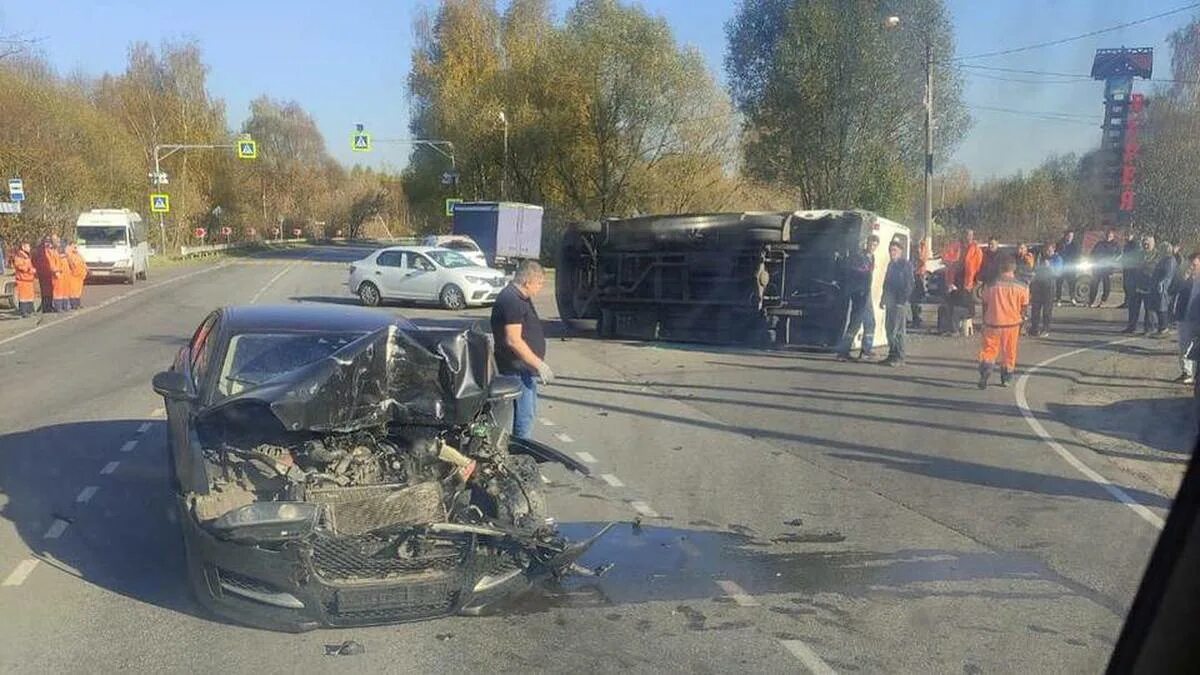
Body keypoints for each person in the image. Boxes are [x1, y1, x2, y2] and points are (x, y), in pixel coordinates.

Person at [490, 260, 553, 440]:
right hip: (515, 369)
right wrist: (539, 364)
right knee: (524, 419)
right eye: (539, 283)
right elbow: (513, 340)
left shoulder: (520, 297)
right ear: (527, 282)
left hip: (523, 369)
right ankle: (520, 457)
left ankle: (521, 453)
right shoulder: (512, 300)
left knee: (528, 414)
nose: (540, 288)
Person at [977, 256, 1029, 389]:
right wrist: (1022, 318)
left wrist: (984, 319)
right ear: (1014, 268)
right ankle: (1006, 377)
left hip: (992, 323)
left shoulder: (991, 285)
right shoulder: (1022, 286)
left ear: (1000, 268)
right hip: (1012, 324)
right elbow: (1024, 306)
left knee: (989, 349)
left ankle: (986, 368)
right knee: (1009, 352)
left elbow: (985, 303)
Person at [836, 235, 880, 361]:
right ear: (867, 244)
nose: (873, 247)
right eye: (871, 244)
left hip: (866, 292)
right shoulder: (859, 257)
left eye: (875, 245)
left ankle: (865, 350)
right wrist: (859, 292)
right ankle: (844, 351)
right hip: (860, 293)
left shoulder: (871, 257)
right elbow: (856, 275)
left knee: (869, 322)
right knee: (856, 322)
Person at [880, 240, 914, 366]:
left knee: (898, 330)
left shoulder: (905, 265)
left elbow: (909, 285)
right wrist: (883, 299)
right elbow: (886, 283)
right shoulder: (891, 265)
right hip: (890, 301)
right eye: (890, 250)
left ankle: (899, 357)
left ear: (900, 251)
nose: (892, 253)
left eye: (894, 250)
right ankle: (892, 354)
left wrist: (902, 300)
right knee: (889, 329)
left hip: (900, 302)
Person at [1174, 252, 1200, 385]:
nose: (1192, 267)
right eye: (1190, 265)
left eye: (1195, 265)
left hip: (1197, 320)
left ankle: (1196, 375)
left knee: (1197, 349)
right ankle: (1186, 372)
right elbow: (1174, 292)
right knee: (1184, 346)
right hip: (1184, 317)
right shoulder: (1187, 280)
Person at [1123, 236, 1157, 334]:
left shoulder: (1156, 254)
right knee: (1133, 308)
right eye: (1144, 244)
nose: (1145, 245)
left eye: (1147, 244)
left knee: (1149, 310)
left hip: (1149, 286)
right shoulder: (1139, 254)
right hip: (1137, 285)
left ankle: (1149, 328)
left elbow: (1156, 268)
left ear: (1152, 244)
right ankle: (1131, 326)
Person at [1029, 243, 1060, 337]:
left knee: (1047, 309)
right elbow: (1034, 268)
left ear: (1054, 250)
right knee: (1035, 308)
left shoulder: (1057, 259)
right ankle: (1034, 328)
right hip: (1038, 284)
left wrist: (1050, 267)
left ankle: (1046, 329)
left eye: (1050, 250)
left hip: (1049, 285)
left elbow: (1058, 273)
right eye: (1046, 250)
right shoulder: (1039, 258)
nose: (1047, 252)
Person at [1149, 241, 1178, 337]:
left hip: (1164, 288)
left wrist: (1162, 284)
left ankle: (1164, 328)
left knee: (1162, 307)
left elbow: (1168, 275)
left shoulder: (1170, 260)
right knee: (1157, 307)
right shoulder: (1163, 259)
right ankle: (1161, 327)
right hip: (1156, 286)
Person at [1088, 229, 1121, 307]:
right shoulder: (1100, 244)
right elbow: (1092, 253)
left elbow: (1119, 255)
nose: (1108, 237)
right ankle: (1091, 301)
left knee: (1106, 285)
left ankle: (1103, 300)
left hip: (1107, 268)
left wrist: (1113, 260)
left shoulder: (1115, 245)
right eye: (1107, 235)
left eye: (1110, 236)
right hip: (1098, 267)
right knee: (1094, 284)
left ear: (1113, 236)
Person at [11, 242, 37, 318]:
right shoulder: (19, 256)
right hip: (23, 280)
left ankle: (30, 310)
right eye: (28, 246)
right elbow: (19, 266)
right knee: (23, 297)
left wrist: (33, 270)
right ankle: (24, 311)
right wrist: (29, 269)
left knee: (29, 297)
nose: (29, 248)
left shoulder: (27, 256)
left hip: (29, 279)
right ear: (23, 247)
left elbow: (30, 266)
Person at [1056, 229, 1082, 305]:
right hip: (1061, 267)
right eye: (1069, 236)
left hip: (1071, 267)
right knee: (1059, 284)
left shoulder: (1075, 245)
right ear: (1065, 236)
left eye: (1071, 236)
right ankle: (1058, 299)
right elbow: (1056, 253)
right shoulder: (1060, 244)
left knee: (1072, 284)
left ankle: (1072, 298)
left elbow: (1078, 256)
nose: (1070, 237)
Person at [32, 237, 55, 313]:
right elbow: (35, 263)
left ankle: (49, 306)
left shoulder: (49, 251)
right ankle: (45, 308)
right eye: (46, 242)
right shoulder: (39, 251)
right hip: (42, 275)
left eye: (49, 242)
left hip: (49, 274)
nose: (48, 244)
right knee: (44, 292)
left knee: (49, 291)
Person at [910, 238, 929, 329]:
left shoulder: (923, 246)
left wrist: (918, 254)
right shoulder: (911, 246)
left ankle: (917, 319)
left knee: (916, 299)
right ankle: (916, 318)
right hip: (912, 274)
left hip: (919, 274)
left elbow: (923, 260)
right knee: (913, 299)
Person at [1118, 229, 1140, 309]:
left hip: (1132, 269)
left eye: (1127, 235)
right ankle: (1126, 302)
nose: (1126, 237)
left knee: (1130, 287)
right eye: (1125, 235)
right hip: (1126, 268)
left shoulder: (1135, 245)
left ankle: (1130, 303)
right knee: (1126, 286)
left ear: (1132, 236)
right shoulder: (1127, 245)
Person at [65, 242, 88, 310]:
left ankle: (77, 304)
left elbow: (83, 262)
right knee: (73, 291)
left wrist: (87, 269)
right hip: (73, 276)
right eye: (74, 246)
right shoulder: (69, 254)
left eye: (76, 246)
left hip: (80, 276)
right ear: (70, 246)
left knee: (78, 291)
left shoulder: (77, 254)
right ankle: (74, 305)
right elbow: (71, 264)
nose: (76, 248)